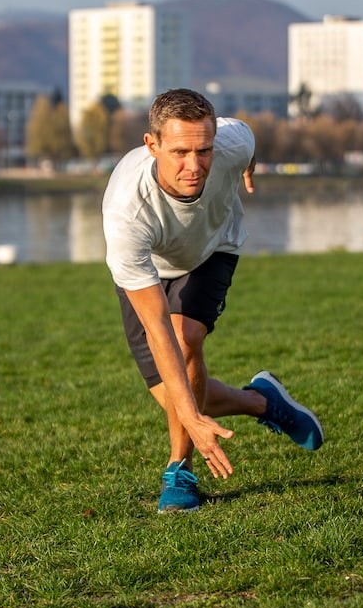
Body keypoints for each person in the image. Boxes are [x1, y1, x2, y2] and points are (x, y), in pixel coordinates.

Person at [102, 88, 324, 513]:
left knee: (188, 338)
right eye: (180, 151)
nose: (194, 165)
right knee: (175, 398)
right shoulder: (126, 212)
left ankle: (179, 470)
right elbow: (156, 328)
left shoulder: (231, 141)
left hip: (213, 247)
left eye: (203, 150)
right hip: (149, 266)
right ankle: (263, 402)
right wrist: (192, 416)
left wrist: (248, 167)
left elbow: (248, 142)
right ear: (152, 145)